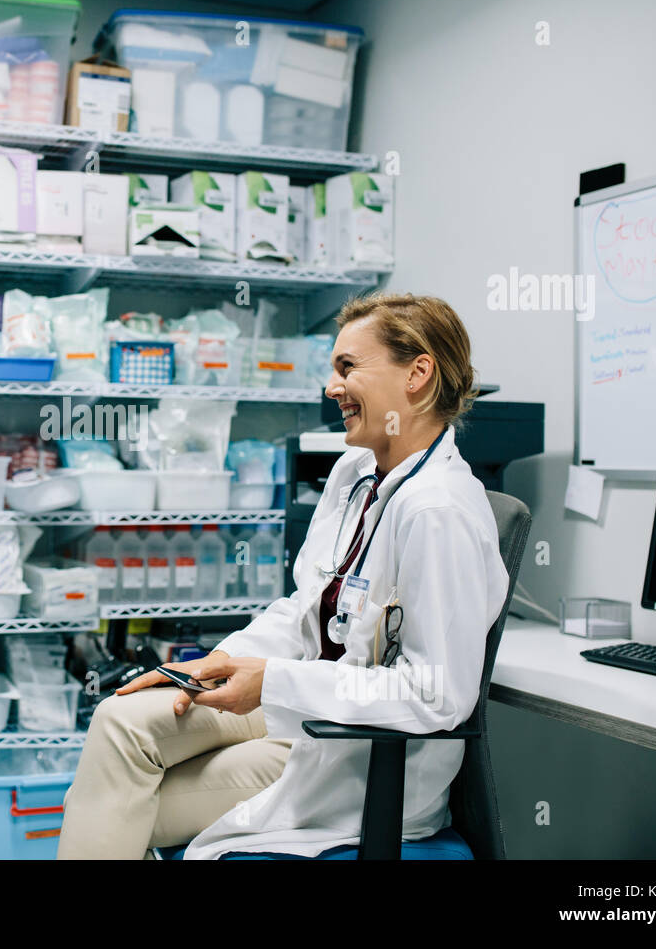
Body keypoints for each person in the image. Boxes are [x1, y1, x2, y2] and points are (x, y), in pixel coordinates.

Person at [58, 292, 510, 859]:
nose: (331, 387)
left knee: (118, 804)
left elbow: (436, 694)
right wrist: (217, 665)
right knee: (119, 718)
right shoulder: (356, 473)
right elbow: (306, 608)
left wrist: (270, 682)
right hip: (302, 707)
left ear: (418, 373)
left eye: (348, 367)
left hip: (355, 753)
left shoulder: (438, 511)